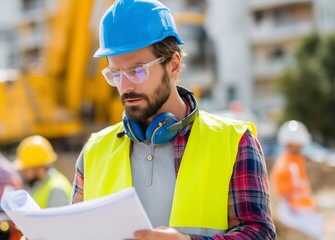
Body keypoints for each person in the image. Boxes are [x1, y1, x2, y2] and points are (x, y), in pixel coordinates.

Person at [70, 0, 276, 239]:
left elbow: (260, 233)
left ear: (174, 65)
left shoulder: (234, 142)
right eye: (115, 73)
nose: (125, 85)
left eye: (137, 71)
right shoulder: (94, 151)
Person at [270, 120, 324, 239]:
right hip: (296, 219)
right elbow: (283, 196)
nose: (301, 146)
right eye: (299, 143)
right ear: (289, 144)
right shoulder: (286, 165)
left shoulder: (296, 161)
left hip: (304, 215)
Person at [14, 135, 72, 208]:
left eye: (26, 168)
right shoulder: (41, 185)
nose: (23, 173)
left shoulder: (56, 189)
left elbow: (56, 219)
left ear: (37, 166)